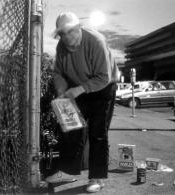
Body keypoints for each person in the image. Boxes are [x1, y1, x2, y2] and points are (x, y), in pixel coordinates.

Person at [45, 12, 119, 193]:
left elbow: (103, 77)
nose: (68, 37)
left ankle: (97, 177)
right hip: (78, 88)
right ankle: (68, 171)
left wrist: (78, 90)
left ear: (79, 28)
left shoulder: (96, 41)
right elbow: (58, 73)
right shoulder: (61, 47)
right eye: (63, 33)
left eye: (71, 31)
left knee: (98, 134)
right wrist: (62, 93)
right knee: (72, 129)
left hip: (103, 87)